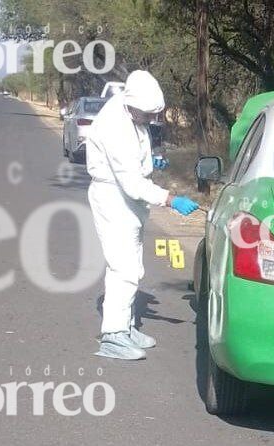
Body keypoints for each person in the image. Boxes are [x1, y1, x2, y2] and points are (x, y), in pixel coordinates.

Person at [87, 70, 200, 360]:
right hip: (114, 197)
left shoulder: (133, 114)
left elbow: (134, 158)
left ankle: (125, 326)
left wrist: (152, 161)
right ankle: (113, 335)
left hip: (127, 199)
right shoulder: (114, 124)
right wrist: (171, 199)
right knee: (122, 267)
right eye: (147, 113)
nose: (151, 119)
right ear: (131, 103)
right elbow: (131, 182)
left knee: (133, 265)